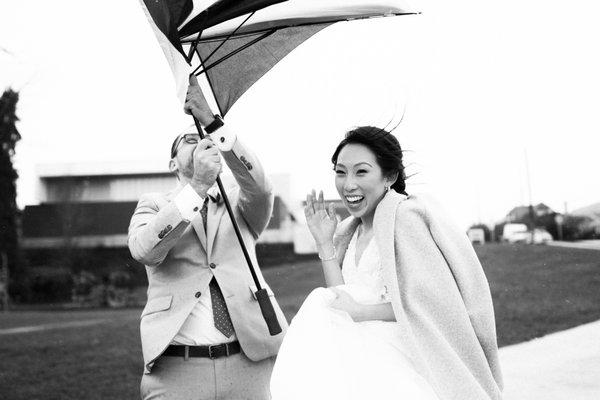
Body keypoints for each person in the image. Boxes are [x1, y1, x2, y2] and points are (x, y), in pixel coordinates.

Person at [270, 126, 503, 400]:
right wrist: (324, 243)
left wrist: (361, 312)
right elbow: (344, 299)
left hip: (400, 356)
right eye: (341, 171)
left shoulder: (405, 217)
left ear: (389, 176)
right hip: (359, 352)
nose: (348, 184)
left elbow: (428, 302)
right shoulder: (349, 230)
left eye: (361, 171)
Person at [128, 76, 287, 400]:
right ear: (173, 163)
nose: (198, 139)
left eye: (201, 136)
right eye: (189, 139)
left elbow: (261, 187)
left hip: (249, 364)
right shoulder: (153, 204)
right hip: (177, 371)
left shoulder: (239, 201)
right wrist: (197, 186)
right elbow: (145, 250)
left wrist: (212, 123)